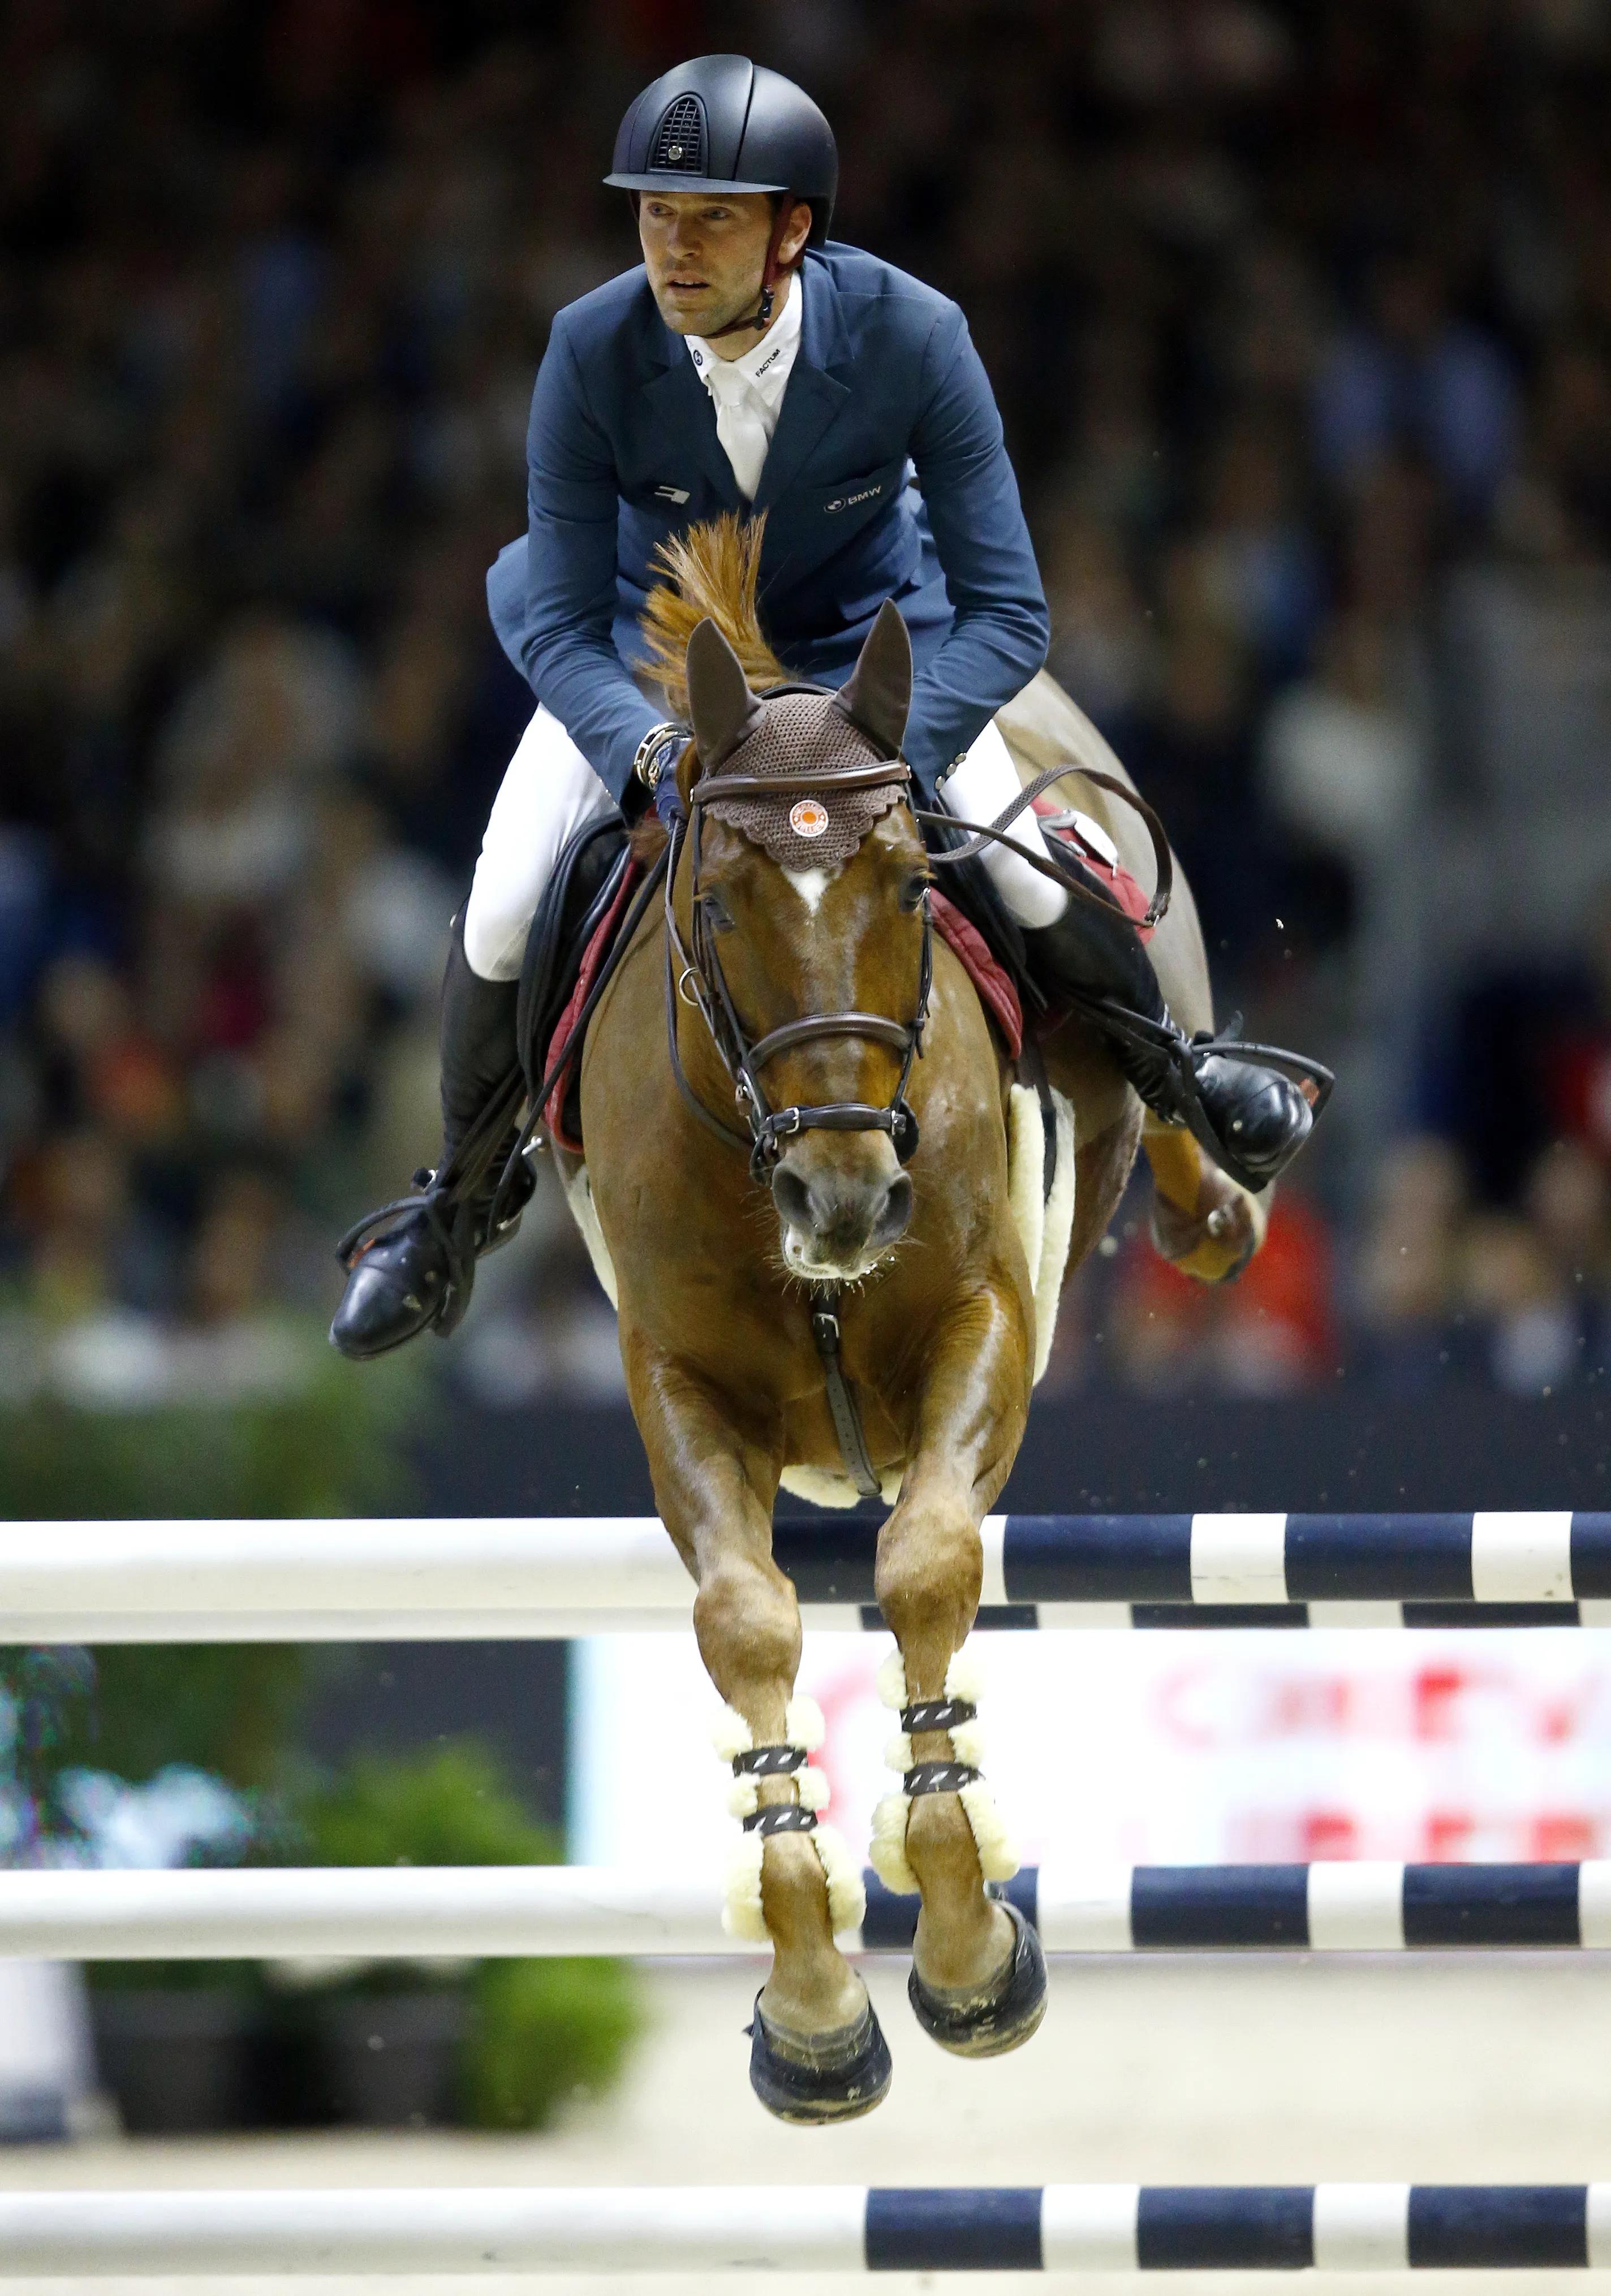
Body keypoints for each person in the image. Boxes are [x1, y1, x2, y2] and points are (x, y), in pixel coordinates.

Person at [331, 53, 1313, 1358]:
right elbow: (563, 617)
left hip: (861, 658)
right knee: (509, 896)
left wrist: (886, 750)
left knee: (1022, 873)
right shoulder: (590, 347)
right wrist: (645, 757)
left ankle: (1179, 1075)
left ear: (792, 231)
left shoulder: (913, 334)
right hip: (652, 662)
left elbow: (1011, 608)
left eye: (711, 217)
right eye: (653, 213)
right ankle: (447, 1212)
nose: (672, 247)